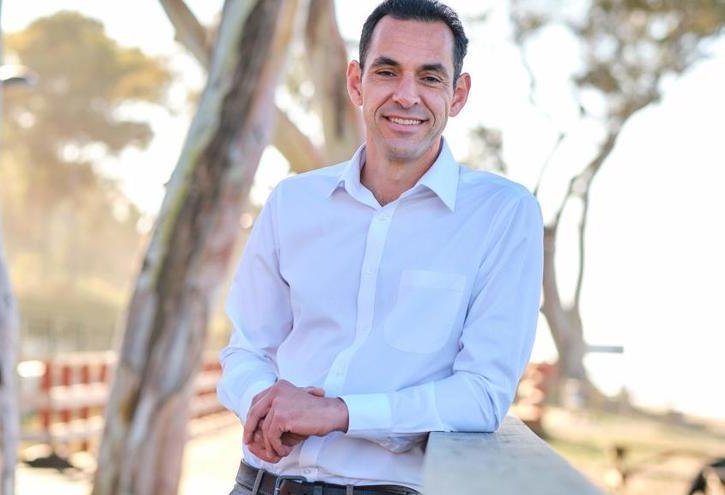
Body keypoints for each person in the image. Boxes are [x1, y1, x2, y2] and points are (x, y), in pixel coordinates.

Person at [217, 0, 543, 493]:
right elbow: (245, 349)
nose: (406, 96)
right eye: (387, 71)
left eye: (430, 78)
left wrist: (338, 414)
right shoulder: (292, 202)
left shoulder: (502, 214)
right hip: (259, 483)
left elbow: (481, 396)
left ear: (458, 94)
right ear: (356, 83)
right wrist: (266, 403)